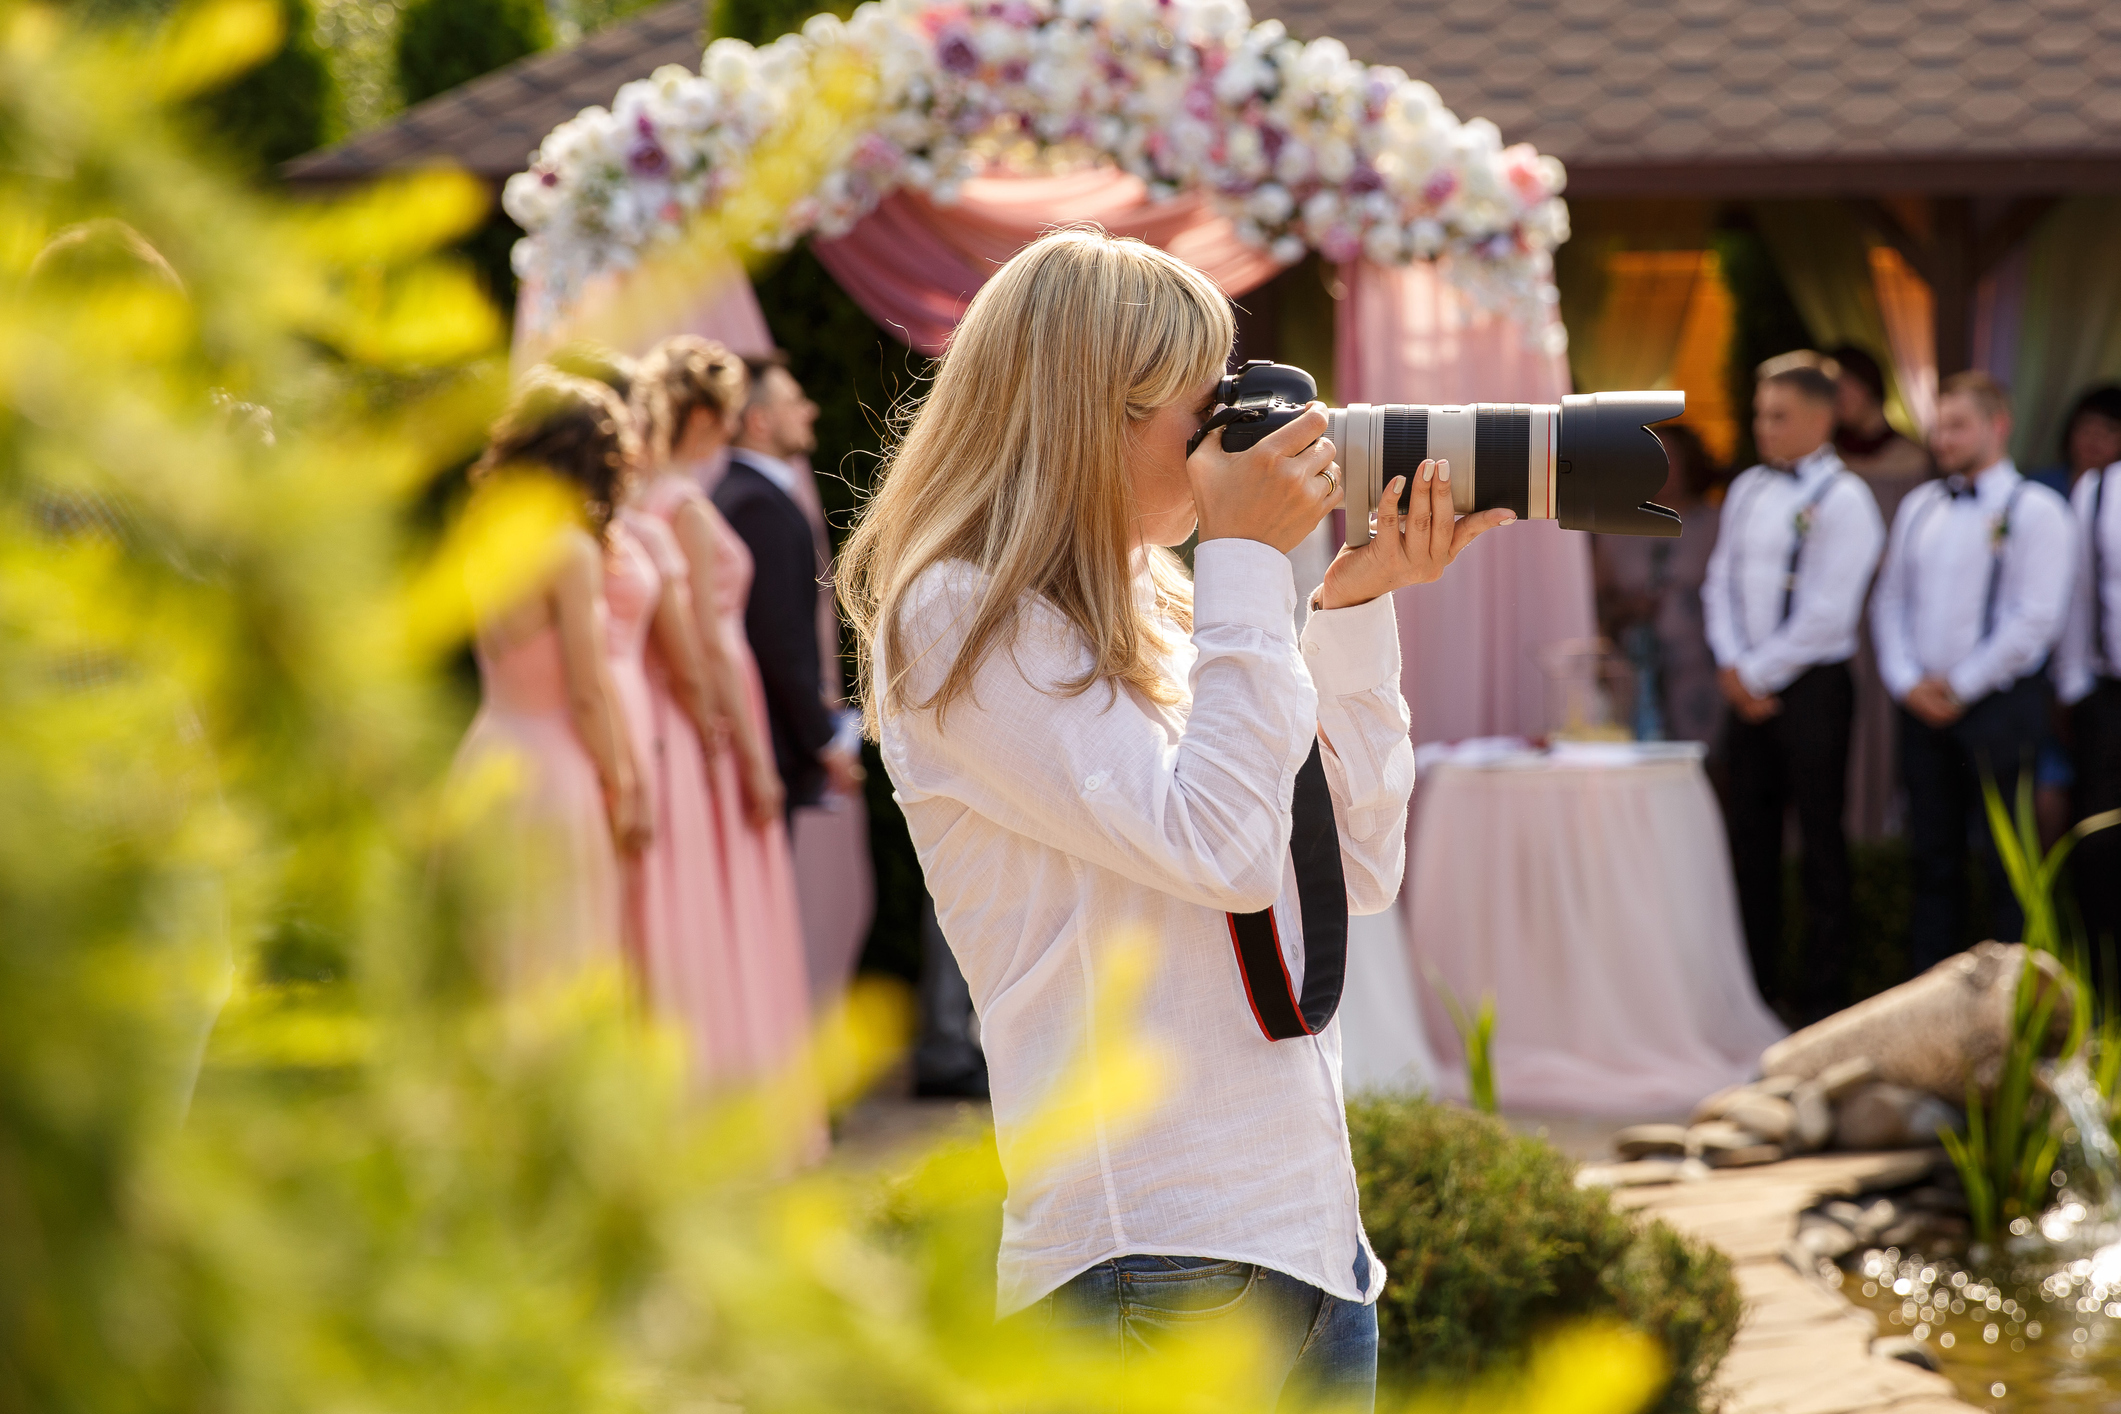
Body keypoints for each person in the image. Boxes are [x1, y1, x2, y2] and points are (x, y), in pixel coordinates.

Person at [838, 229, 1516, 1408]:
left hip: (1301, 1238)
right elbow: (1224, 850)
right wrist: (1252, 559)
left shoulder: (1158, 603)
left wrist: (1347, 609)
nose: (1231, 437)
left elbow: (1346, 873)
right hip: (1150, 1251)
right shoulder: (959, 614)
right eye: (1206, 406)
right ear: (1094, 410)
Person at [628, 338, 820, 1122]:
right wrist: (752, 757)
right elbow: (707, 644)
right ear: (709, 416)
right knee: (730, 901)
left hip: (677, 717)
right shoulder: (686, 510)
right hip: (712, 716)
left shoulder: (646, 502)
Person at [1701, 352, 1885, 1021]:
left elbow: (1829, 612)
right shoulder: (1749, 487)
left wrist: (1755, 675)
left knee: (1818, 842)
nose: (1763, 428)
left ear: (1819, 417)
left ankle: (1822, 999)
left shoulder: (1846, 499)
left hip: (1811, 689)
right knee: (1748, 841)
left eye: (1777, 416)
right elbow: (1718, 580)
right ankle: (1753, 990)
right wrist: (1730, 663)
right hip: (1744, 685)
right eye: (1758, 414)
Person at [1872, 372, 2074, 974]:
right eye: (1939, 425)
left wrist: (1959, 687)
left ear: (1998, 425)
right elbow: (1889, 601)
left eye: (1958, 424)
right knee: (1931, 861)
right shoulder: (1920, 505)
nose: (1943, 437)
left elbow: (2035, 618)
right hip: (1920, 708)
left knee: (2006, 864)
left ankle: (2018, 1013)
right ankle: (1926, 1009)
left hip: (1999, 708)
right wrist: (1908, 680)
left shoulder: (2037, 510)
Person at [455, 372, 649, 990]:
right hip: (552, 773)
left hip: (486, 751)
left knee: (489, 956)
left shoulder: (484, 533)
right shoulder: (570, 549)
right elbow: (588, 690)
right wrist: (622, 782)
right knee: (558, 958)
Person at [712, 353, 862, 818]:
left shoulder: (750, 493)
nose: (810, 410)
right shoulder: (757, 505)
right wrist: (822, 738)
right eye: (794, 401)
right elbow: (777, 637)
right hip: (769, 738)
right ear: (758, 420)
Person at [1828, 344, 1932, 841]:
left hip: (1884, 617)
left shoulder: (1911, 461)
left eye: (1839, 385)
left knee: (1879, 726)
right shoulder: (1822, 462)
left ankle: (1877, 839)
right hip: (1830, 615)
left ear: (1867, 385)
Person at [1592, 423, 1724, 748]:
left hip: (1701, 670)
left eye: (1671, 458)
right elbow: (1593, 600)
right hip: (1634, 671)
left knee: (1705, 756)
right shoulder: (1615, 527)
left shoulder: (1717, 523)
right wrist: (1626, 610)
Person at [2054, 387, 2121, 994]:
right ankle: (2102, 994)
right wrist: (2073, 691)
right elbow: (2075, 598)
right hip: (2107, 697)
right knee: (2100, 844)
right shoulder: (2096, 490)